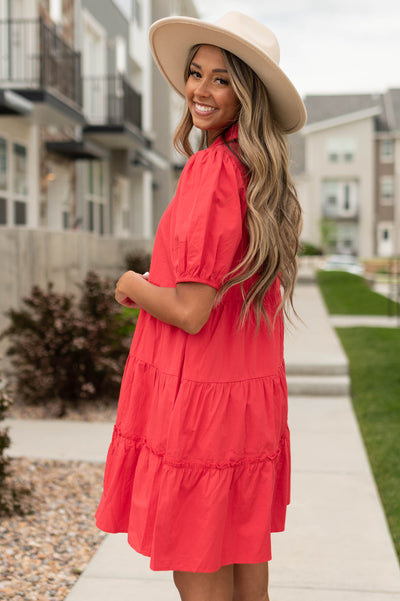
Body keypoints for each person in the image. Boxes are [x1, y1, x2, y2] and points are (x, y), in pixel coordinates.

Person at [95, 11, 306, 601]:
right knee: (247, 583)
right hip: (244, 407)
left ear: (248, 95)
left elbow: (190, 310)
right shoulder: (259, 175)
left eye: (221, 79)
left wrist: (132, 284)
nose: (200, 91)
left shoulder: (214, 170)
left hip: (203, 407)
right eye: (195, 73)